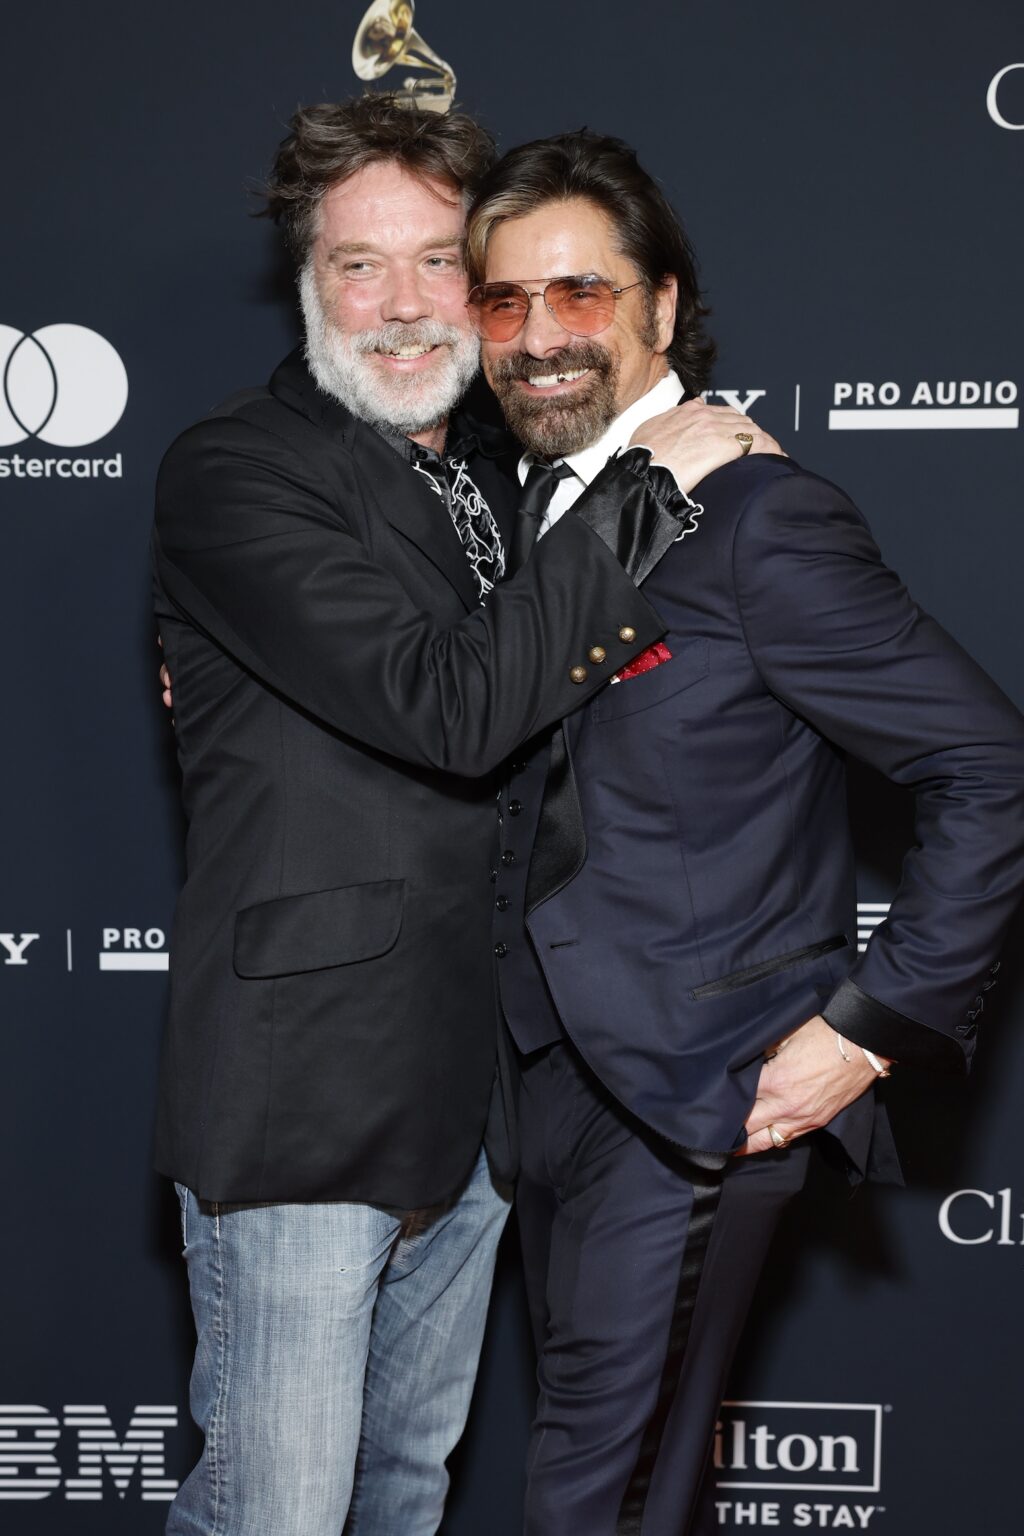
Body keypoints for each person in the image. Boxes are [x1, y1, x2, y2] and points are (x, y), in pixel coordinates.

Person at [151, 96, 770, 1536]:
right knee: (275, 1518)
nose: (404, 305)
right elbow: (450, 707)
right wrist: (641, 493)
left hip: (475, 1106)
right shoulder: (239, 471)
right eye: (358, 266)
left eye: (441, 262)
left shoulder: (500, 478)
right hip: (302, 1107)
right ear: (309, 286)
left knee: (400, 1504)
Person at [465, 130, 1024, 1535]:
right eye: (504, 302)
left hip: (694, 1098)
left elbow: (990, 767)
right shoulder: (512, 522)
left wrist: (869, 1024)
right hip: (525, 1094)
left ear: (661, 308)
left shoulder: (761, 518)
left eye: (580, 295)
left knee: (608, 1493)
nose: (539, 338)